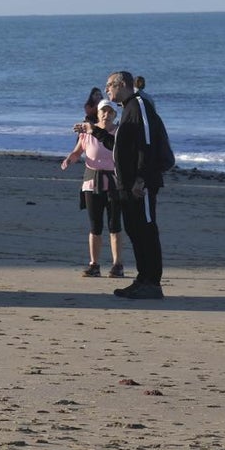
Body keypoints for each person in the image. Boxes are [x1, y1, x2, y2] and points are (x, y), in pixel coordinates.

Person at [86, 71, 166, 299]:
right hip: (126, 184)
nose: (107, 89)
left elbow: (148, 144)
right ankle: (142, 279)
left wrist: (141, 178)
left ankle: (152, 282)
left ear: (122, 84)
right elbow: (121, 147)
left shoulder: (139, 105)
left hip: (142, 184)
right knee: (134, 229)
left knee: (146, 230)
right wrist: (97, 132)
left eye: (110, 85)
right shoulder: (127, 109)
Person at [62, 99, 125, 278]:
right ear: (97, 114)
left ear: (115, 115)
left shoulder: (118, 133)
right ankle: (94, 264)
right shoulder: (86, 133)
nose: (106, 115)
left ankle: (117, 265)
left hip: (114, 183)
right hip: (91, 183)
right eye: (103, 112)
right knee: (95, 226)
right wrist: (69, 160)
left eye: (110, 112)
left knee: (115, 226)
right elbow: (77, 152)